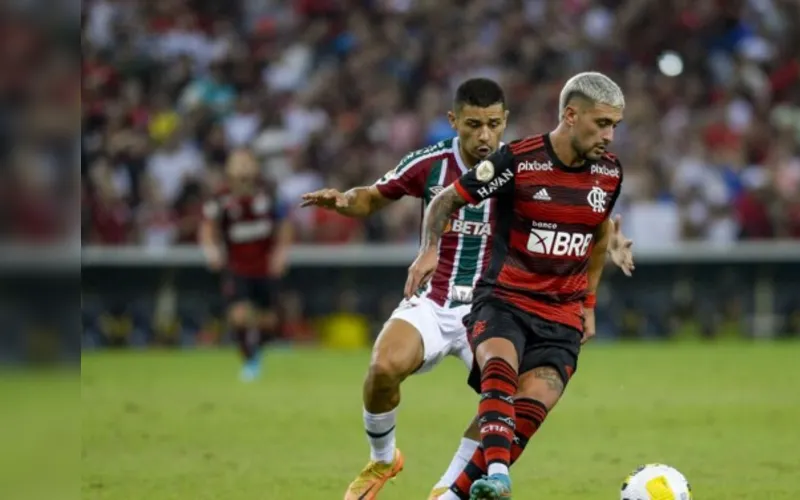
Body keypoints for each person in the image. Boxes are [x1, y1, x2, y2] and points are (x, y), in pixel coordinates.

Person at [301, 78, 634, 500]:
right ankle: (382, 459)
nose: (484, 135)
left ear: (504, 122)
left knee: (505, 402)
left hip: (496, 301)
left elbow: (583, 215)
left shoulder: (521, 164)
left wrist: (613, 247)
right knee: (383, 367)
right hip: (439, 298)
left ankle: (449, 488)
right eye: (473, 125)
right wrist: (348, 202)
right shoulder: (435, 164)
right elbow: (375, 195)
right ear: (453, 122)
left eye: (493, 124)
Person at [404, 71, 628, 500]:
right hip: (504, 300)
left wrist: (589, 303)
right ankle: (501, 478)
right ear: (570, 114)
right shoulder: (518, 162)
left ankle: (453, 496)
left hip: (561, 317)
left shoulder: (610, 175)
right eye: (602, 124)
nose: (610, 136)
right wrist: (430, 248)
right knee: (499, 372)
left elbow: (599, 235)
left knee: (530, 411)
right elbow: (446, 199)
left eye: (615, 125)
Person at [200, 149, 293, 381]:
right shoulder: (220, 198)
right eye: (237, 163)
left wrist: (281, 254)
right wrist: (211, 251)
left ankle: (258, 350)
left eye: (247, 163)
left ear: (255, 167)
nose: (242, 168)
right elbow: (207, 227)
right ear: (229, 169)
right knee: (239, 316)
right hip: (237, 267)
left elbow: (285, 225)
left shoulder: (269, 193)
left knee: (269, 320)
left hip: (264, 267)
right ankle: (250, 360)